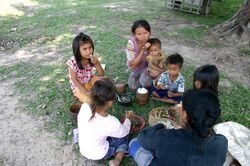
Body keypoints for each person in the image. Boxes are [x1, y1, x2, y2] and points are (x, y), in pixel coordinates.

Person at [129, 89, 228, 166]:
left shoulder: (165, 137)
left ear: (185, 114)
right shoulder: (221, 143)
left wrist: (161, 125)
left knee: (134, 143)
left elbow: (142, 138)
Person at [76, 79, 134, 166]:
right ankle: (117, 160)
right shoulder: (111, 122)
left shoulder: (84, 106)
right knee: (125, 136)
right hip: (99, 153)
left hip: (84, 149)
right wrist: (127, 119)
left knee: (110, 132)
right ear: (110, 102)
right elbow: (124, 131)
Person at [66, 33, 104, 102]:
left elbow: (102, 74)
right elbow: (74, 80)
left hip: (89, 81)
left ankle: (92, 90)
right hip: (78, 86)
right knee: (89, 100)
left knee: (104, 81)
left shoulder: (91, 58)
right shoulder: (73, 62)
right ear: (77, 50)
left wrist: (97, 63)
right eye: (85, 49)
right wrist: (86, 92)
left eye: (90, 47)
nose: (89, 51)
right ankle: (79, 94)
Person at [126, 19, 152, 91]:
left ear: (150, 33)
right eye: (139, 34)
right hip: (135, 69)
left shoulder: (152, 42)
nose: (143, 36)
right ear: (134, 34)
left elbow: (156, 60)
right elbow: (133, 64)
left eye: (145, 33)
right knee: (133, 86)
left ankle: (146, 81)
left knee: (146, 83)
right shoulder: (131, 44)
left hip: (147, 68)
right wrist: (142, 50)